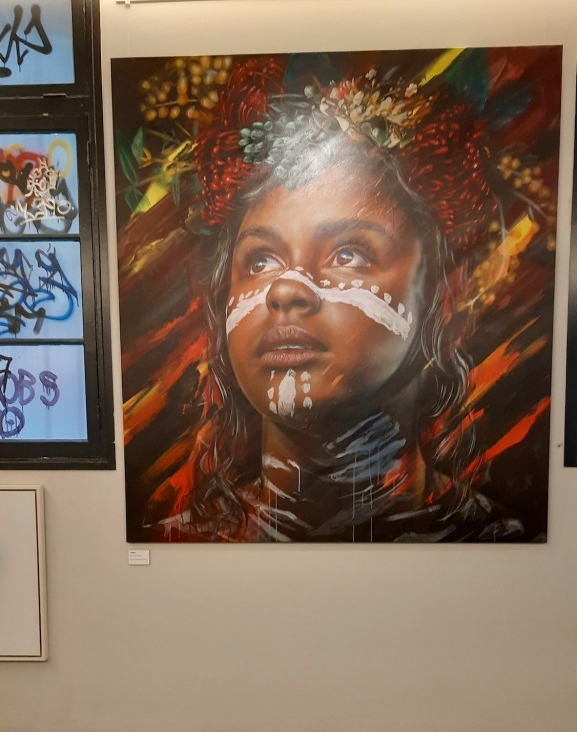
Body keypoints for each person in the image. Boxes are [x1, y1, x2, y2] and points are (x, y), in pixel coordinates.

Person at [117, 51, 559, 543]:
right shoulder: (180, 545)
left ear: (443, 292)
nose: (286, 289)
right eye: (261, 261)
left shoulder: (499, 543)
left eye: (348, 254)